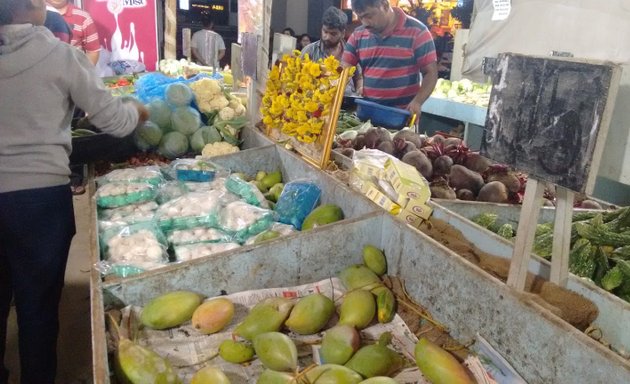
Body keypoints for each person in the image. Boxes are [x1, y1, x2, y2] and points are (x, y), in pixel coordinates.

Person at [0, 0, 148, 382]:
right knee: (37, 305)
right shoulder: (59, 55)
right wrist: (137, 112)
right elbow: (114, 121)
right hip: (38, 201)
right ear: (28, 9)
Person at [342, 0, 438, 117]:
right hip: (368, 114)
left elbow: (431, 73)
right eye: (361, 17)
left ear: (385, 5)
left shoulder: (417, 31)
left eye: (368, 16)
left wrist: (418, 101)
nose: (365, 22)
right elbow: (343, 70)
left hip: (402, 115)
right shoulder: (358, 35)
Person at [301, 6, 362, 94]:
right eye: (325, 32)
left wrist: (360, 89)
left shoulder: (351, 51)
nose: (327, 37)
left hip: (346, 102)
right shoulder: (309, 51)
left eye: (333, 34)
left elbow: (359, 77)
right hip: (317, 103)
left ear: (343, 33)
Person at [46, 0, 100, 65]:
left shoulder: (83, 17)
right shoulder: (35, 16)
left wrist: (84, 72)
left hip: (74, 70)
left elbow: (93, 51)